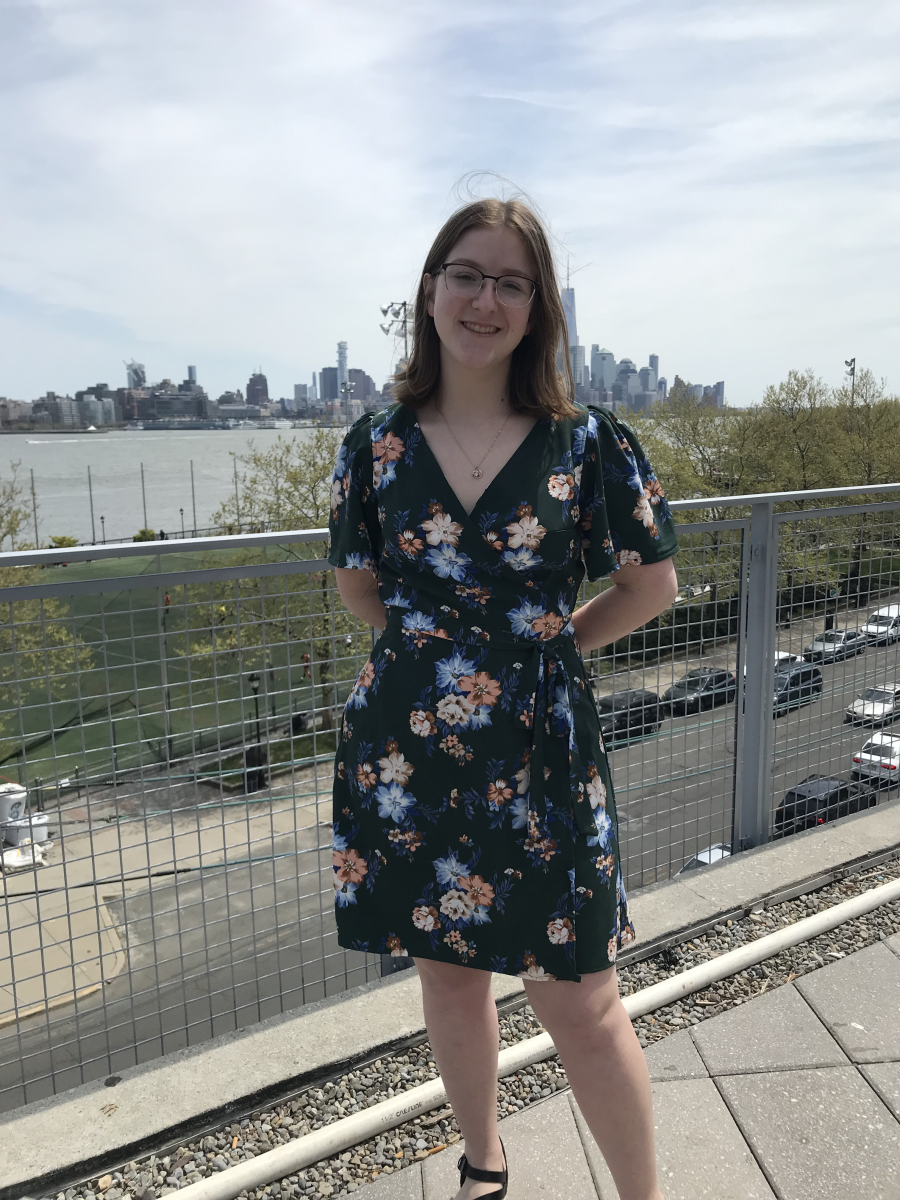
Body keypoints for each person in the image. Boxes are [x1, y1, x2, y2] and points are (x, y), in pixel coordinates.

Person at [328, 198, 678, 1200]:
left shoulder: (587, 443)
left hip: (542, 750)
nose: (486, 298)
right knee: (447, 972)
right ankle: (485, 1164)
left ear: (538, 310)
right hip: (408, 756)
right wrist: (454, 662)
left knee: (580, 999)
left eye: (512, 282)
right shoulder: (375, 444)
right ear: (430, 292)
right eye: (467, 274)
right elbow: (359, 586)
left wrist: (549, 647)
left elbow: (650, 583)